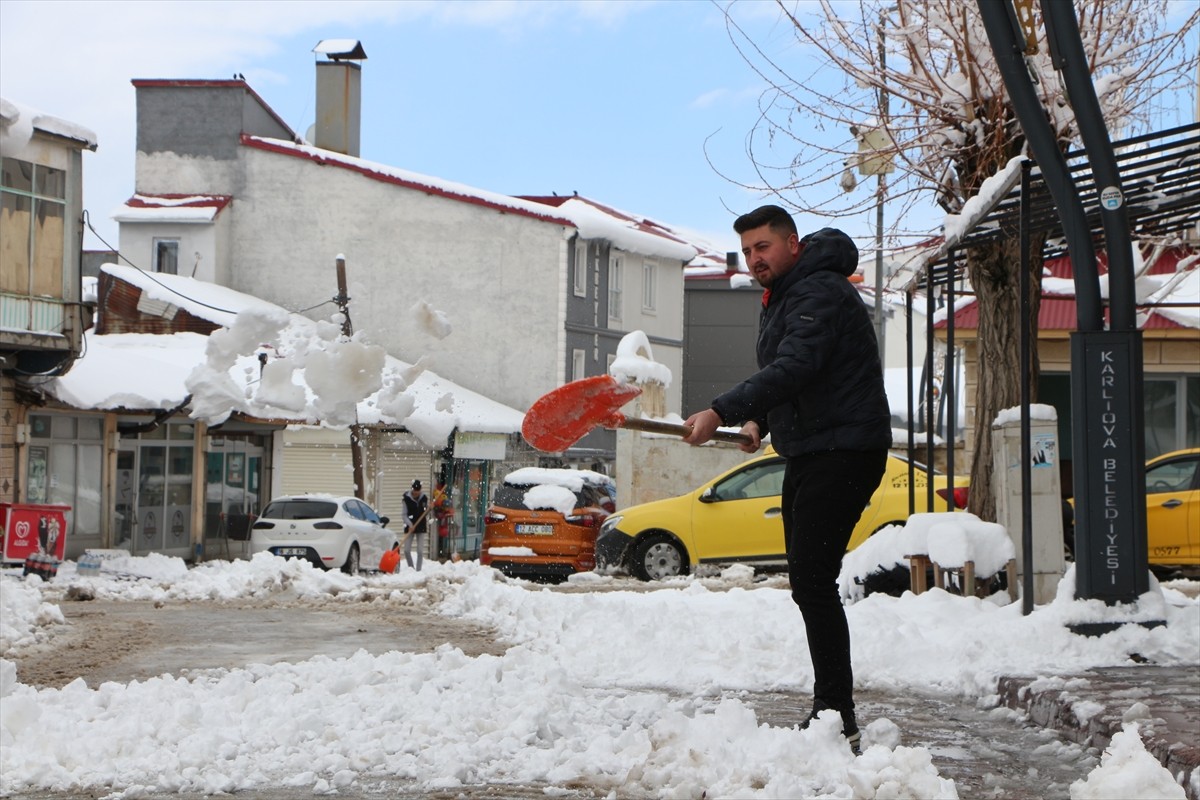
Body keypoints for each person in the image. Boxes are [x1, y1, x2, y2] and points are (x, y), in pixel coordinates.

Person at [683, 204, 891, 754]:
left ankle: (836, 715)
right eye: (747, 251)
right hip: (812, 450)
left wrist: (722, 410)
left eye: (763, 247)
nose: (755, 259)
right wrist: (759, 421)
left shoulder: (817, 290)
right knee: (808, 581)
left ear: (792, 243)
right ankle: (833, 711)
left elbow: (796, 367)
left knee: (813, 580)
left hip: (844, 451)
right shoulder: (788, 293)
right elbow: (801, 380)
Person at [402, 479, 430, 571]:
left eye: (418, 491)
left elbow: (425, 512)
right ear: (412, 489)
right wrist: (410, 524)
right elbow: (404, 515)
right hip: (410, 526)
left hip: (421, 526)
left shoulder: (424, 498)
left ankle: (418, 571)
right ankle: (411, 569)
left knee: (420, 551)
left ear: (420, 490)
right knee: (406, 550)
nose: (416, 493)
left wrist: (429, 508)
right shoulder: (406, 499)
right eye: (415, 490)